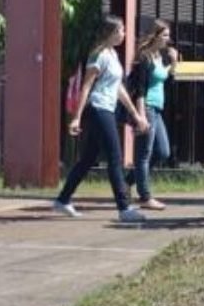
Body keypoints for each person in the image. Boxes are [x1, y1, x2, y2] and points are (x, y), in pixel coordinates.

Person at [54, 15, 149, 223]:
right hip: (97, 109)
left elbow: (119, 90)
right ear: (111, 33)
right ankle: (124, 208)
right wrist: (77, 117)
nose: (124, 34)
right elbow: (86, 86)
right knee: (115, 158)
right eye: (121, 30)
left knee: (88, 159)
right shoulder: (98, 55)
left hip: (107, 108)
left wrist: (134, 114)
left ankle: (63, 199)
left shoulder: (113, 55)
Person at [124, 19, 178, 210]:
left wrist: (174, 62)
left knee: (163, 151)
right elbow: (139, 90)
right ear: (154, 36)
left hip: (157, 109)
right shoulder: (144, 57)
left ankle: (127, 182)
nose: (168, 39)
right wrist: (141, 116)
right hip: (146, 107)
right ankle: (145, 196)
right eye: (164, 35)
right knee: (143, 154)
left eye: (168, 35)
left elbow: (166, 81)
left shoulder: (158, 56)